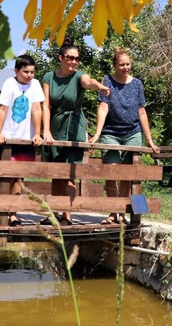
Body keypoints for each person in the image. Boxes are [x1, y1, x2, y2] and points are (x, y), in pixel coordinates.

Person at [41, 36, 110, 225]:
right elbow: (45, 106)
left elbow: (89, 82)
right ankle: (53, 214)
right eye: (70, 58)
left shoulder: (79, 76)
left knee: (70, 176)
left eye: (77, 58)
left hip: (74, 127)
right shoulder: (48, 77)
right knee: (56, 174)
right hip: (54, 126)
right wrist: (46, 130)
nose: (74, 61)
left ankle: (67, 216)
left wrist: (101, 87)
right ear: (61, 58)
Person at [89, 47, 159, 224]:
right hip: (111, 133)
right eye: (122, 64)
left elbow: (141, 111)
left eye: (128, 64)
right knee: (111, 172)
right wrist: (97, 133)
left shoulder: (137, 84)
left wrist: (149, 140)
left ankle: (123, 213)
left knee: (129, 175)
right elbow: (103, 107)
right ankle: (113, 212)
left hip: (132, 133)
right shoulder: (107, 81)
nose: (126, 67)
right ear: (115, 65)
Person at [0, 54, 45, 226]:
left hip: (26, 138)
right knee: (3, 177)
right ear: (17, 71)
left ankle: (13, 213)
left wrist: (37, 134)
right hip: (8, 137)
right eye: (25, 72)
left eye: (32, 72)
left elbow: (37, 109)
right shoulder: (10, 83)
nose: (29, 75)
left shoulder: (35, 84)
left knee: (19, 178)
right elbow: (2, 109)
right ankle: (2, 211)